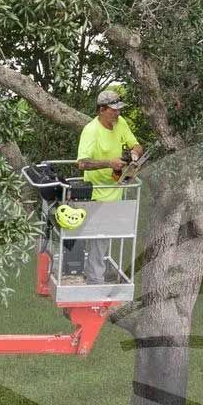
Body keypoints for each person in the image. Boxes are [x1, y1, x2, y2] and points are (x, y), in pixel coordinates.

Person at [69, 87, 144, 283]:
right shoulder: (91, 131)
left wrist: (134, 155)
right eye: (113, 109)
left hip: (116, 189)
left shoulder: (120, 123)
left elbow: (136, 144)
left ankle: (97, 271)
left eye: (119, 109)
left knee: (107, 236)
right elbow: (82, 163)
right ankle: (95, 281)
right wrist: (109, 163)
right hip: (97, 193)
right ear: (102, 109)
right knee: (99, 238)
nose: (118, 113)